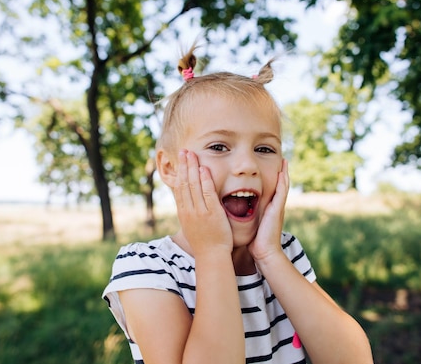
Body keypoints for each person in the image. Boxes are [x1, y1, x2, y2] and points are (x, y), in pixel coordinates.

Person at [102, 44, 374, 364]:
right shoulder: (148, 267)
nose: (248, 165)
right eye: (219, 146)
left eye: (265, 149)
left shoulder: (284, 252)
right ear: (169, 168)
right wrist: (212, 253)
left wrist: (270, 256)